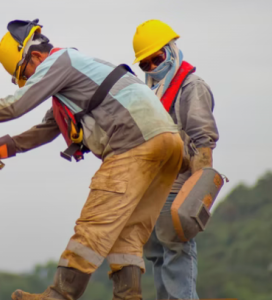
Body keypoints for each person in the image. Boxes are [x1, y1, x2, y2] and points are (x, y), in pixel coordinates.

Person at [0, 19, 183, 300]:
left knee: (92, 227)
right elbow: (47, 129)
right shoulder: (78, 72)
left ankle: (59, 295)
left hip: (134, 144)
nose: (31, 84)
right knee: (128, 235)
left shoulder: (59, 62)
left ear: (36, 56)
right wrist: (1, 148)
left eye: (26, 76)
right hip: (167, 144)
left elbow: (16, 105)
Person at [133, 20, 219, 300]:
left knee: (176, 254)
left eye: (157, 58)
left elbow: (203, 140)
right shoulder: (151, 93)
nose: (153, 67)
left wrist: (195, 195)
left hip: (180, 187)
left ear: (170, 50)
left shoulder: (191, 87)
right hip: (154, 189)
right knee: (157, 254)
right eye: (146, 64)